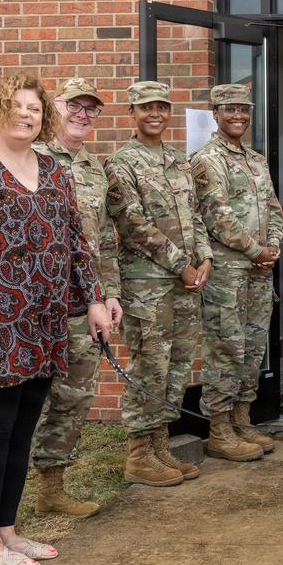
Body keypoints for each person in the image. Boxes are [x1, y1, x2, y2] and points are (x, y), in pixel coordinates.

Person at [0, 73, 112, 565]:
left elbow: (77, 244)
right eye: (16, 106)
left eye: (35, 108)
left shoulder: (54, 172)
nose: (26, 115)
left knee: (21, 430)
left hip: (45, 321)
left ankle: (8, 530)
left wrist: (95, 300)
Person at [105, 81, 213, 485]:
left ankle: (160, 446)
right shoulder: (121, 163)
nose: (155, 113)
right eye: (146, 107)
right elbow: (133, 226)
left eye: (162, 107)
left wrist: (205, 257)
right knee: (150, 364)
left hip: (184, 284)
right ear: (132, 113)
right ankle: (138, 454)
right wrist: (182, 264)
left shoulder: (178, 160)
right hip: (148, 284)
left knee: (177, 365)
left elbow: (195, 215)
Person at [30, 78, 122, 518]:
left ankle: (52, 485)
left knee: (77, 391)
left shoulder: (93, 168)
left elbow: (104, 239)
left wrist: (110, 294)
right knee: (24, 392)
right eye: (75, 106)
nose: (82, 115)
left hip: (83, 300)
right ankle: (2, 486)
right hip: (34, 300)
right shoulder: (31, 158)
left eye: (91, 109)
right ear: (56, 106)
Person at [190, 83, 283, 461]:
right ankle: (219, 430)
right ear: (215, 114)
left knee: (252, 347)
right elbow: (218, 217)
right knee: (226, 348)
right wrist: (256, 250)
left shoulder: (256, 160)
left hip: (259, 272)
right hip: (227, 274)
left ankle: (242, 419)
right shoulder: (206, 160)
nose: (238, 116)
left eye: (243, 109)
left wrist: (273, 246)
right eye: (229, 109)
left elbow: (273, 207)